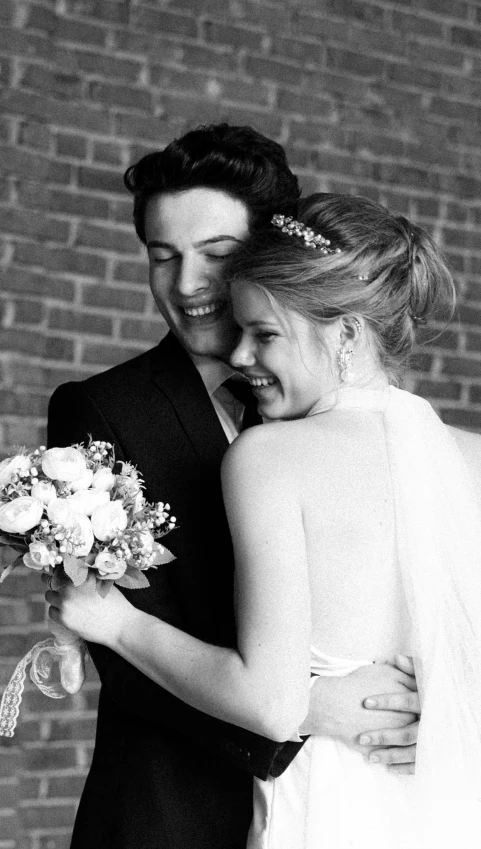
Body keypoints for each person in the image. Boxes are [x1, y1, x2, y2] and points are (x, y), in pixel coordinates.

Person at [46, 130, 420, 849]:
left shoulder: (357, 416)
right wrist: (309, 709)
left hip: (349, 804)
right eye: (162, 255)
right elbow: (118, 647)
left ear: (265, 258)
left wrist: (421, 711)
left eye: (215, 255)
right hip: (174, 812)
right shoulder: (102, 408)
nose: (186, 284)